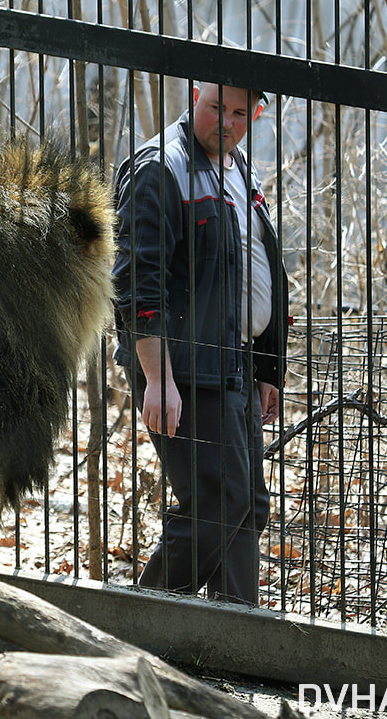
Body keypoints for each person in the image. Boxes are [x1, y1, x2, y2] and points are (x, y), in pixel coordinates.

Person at [111, 79, 289, 604]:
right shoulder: (160, 168)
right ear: (194, 95)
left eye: (239, 112)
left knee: (246, 505)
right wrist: (158, 378)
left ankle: (235, 639)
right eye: (216, 108)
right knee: (217, 504)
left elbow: (250, 272)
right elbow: (138, 282)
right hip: (184, 367)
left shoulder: (238, 172)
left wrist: (265, 368)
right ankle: (141, 628)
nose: (227, 123)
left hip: (234, 364)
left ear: (253, 114)